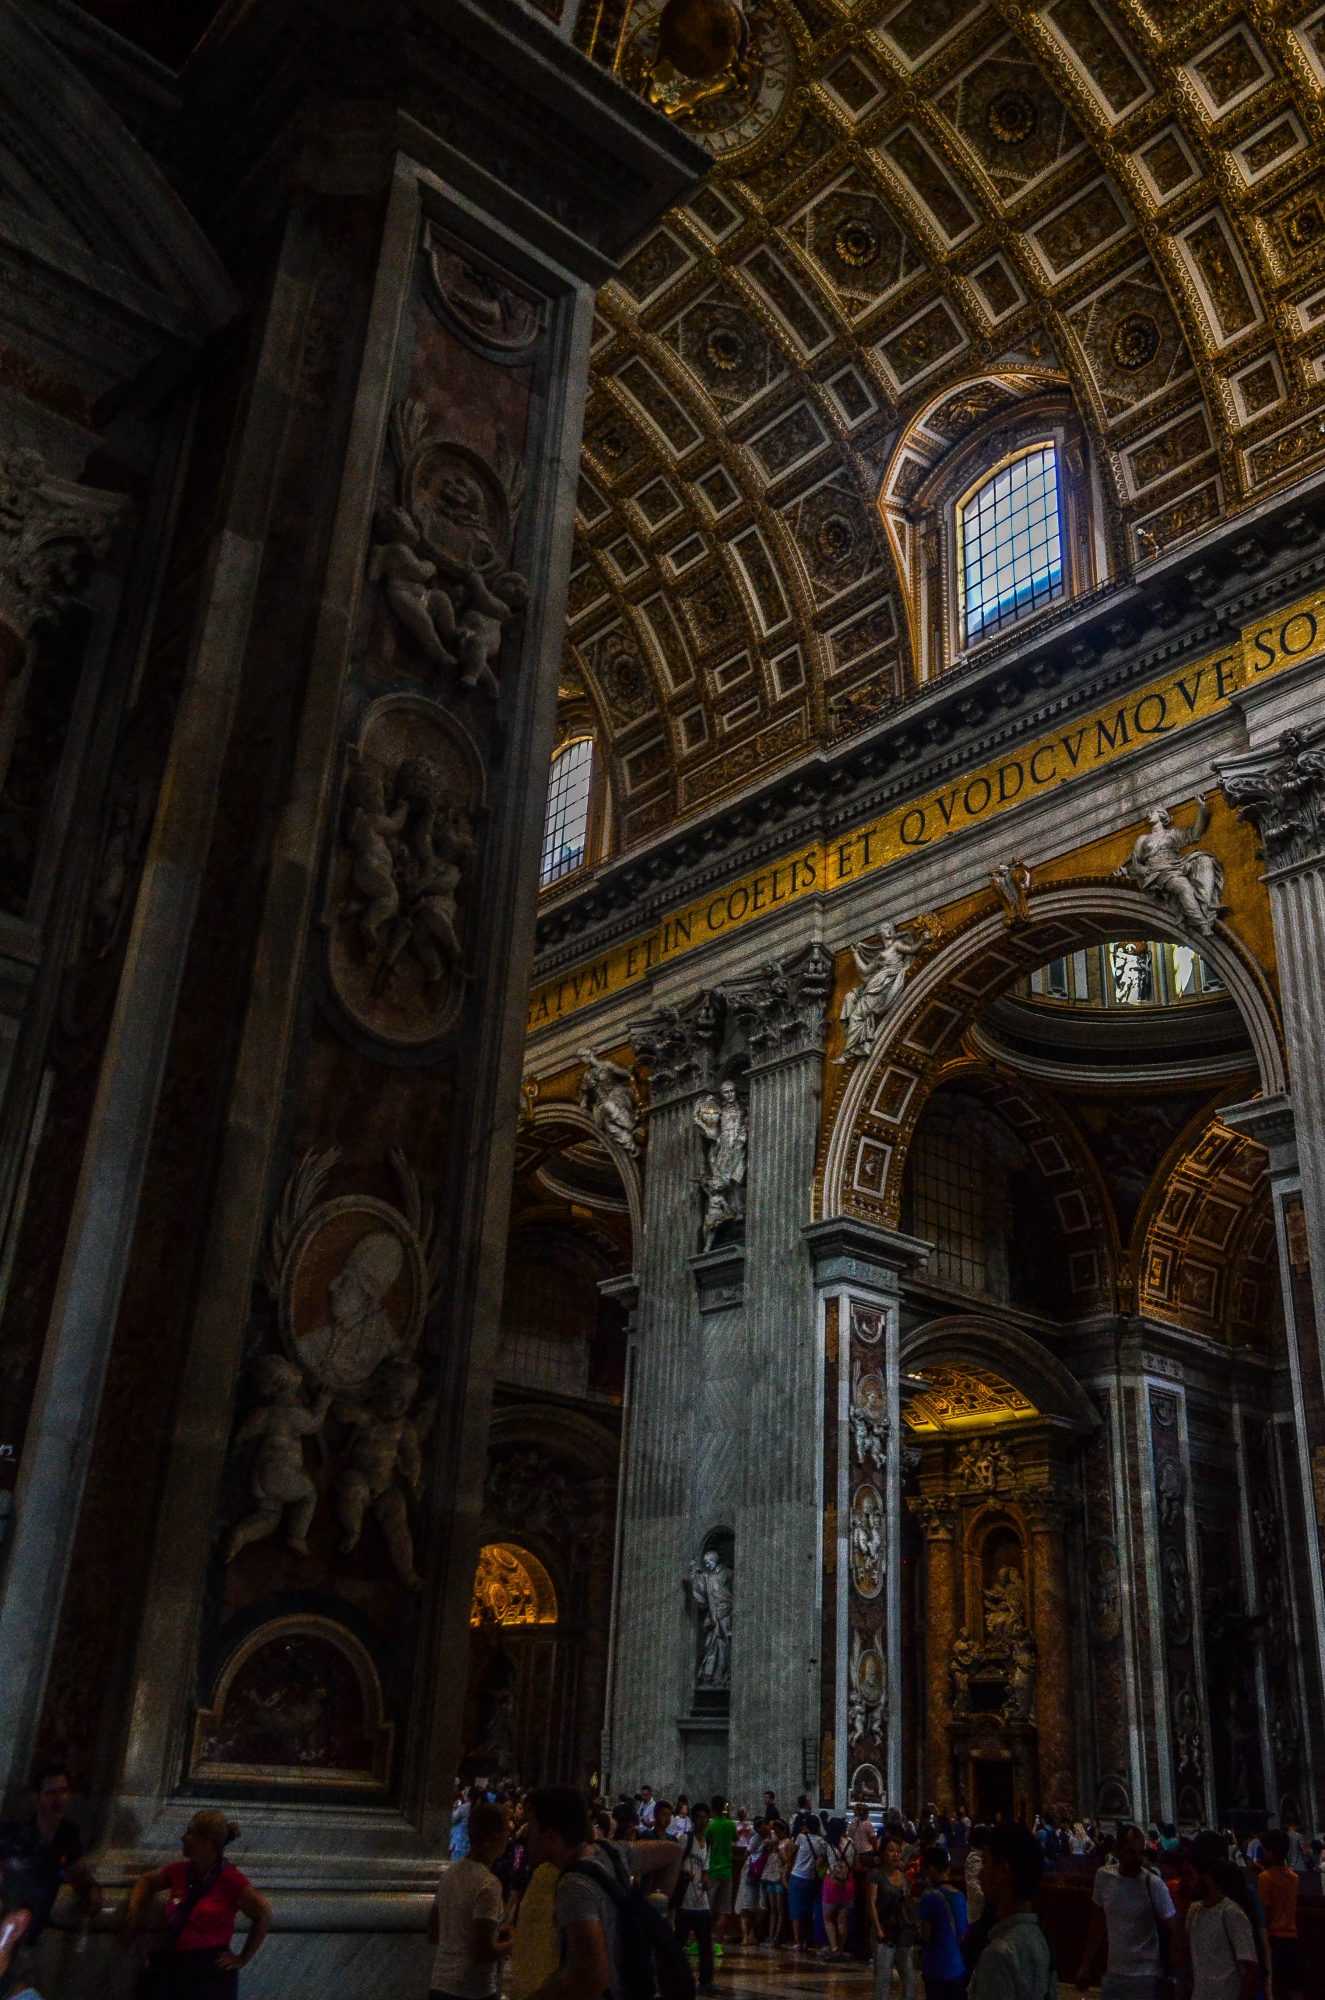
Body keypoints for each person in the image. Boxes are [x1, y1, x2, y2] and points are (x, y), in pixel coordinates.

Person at [523, 1783, 679, 2000]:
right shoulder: (611, 1851)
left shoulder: (574, 1886)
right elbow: (673, 1852)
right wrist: (656, 1904)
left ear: (550, 1836)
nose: (524, 1835)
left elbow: (592, 1976)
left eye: (530, 1827)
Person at [123, 1811, 272, 1999]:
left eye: (190, 1832)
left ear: (206, 1842)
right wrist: (133, 1911)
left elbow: (263, 1914)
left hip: (208, 1973)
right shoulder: (182, 1872)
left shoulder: (230, 1879)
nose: (183, 1838)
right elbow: (146, 1881)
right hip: (176, 1964)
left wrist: (242, 1958)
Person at [0, 1761, 102, 1963]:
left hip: (30, 1935)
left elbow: (76, 1871)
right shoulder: (16, 1837)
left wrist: (91, 1890)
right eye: (50, 1793)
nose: (58, 1800)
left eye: (63, 1792)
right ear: (36, 1798)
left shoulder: (67, 1835)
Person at [1076, 1821, 1174, 2000]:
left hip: (1147, 1974)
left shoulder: (1154, 1884)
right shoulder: (1104, 1877)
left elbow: (1172, 1928)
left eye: (1140, 1853)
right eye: (1130, 1852)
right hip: (1114, 1971)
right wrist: (1086, 1964)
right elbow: (1098, 1924)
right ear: (1117, 1850)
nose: (1136, 1858)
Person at [428, 1800, 513, 2000]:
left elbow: (433, 1931)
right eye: (505, 1834)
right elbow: (483, 1951)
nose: (507, 1840)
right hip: (473, 1989)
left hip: (440, 1983)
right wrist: (513, 1943)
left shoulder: (449, 1874)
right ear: (493, 1837)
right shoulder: (488, 1884)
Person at [967, 1825, 1054, 2000]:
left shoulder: (998, 1955)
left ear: (1002, 1870)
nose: (980, 1875)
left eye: (985, 1863)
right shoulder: (1039, 1937)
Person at [1185, 1833, 1257, 2000]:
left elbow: (1251, 1968)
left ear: (1208, 1876)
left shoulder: (1231, 1912)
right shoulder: (1193, 1911)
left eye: (1190, 1875)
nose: (1186, 1882)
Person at [868, 1835, 919, 2000]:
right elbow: (871, 1903)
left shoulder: (902, 1876)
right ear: (882, 1853)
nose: (895, 1855)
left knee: (909, 1976)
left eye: (898, 1851)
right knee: (883, 1976)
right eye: (891, 1851)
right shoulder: (876, 1875)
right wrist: (878, 1929)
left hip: (902, 1931)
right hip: (884, 1930)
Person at [673, 1801, 716, 1996]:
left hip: (701, 1898)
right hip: (685, 1899)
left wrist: (705, 1877)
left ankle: (706, 1980)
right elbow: (675, 1863)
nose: (701, 1821)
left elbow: (705, 1866)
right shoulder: (685, 1839)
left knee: (706, 1942)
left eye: (704, 1818)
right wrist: (684, 1872)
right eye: (698, 1817)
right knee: (680, 1941)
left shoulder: (706, 1842)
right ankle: (673, 1976)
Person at [917, 1844, 968, 2000]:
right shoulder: (960, 1895)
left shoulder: (930, 1897)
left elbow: (925, 1934)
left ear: (931, 1868)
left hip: (936, 1967)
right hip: (957, 1966)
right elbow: (963, 1932)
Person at [788, 1812, 826, 1952]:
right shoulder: (822, 1842)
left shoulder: (801, 1837)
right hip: (813, 1878)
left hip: (798, 1876)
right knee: (811, 1911)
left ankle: (799, 1942)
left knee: (796, 1912)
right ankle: (812, 1939)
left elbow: (791, 1852)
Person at [822, 1815, 857, 1961]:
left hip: (832, 1882)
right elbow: (855, 1862)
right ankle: (841, 1950)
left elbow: (820, 1862)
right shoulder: (850, 1843)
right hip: (848, 1883)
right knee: (842, 1919)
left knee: (828, 1918)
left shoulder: (827, 1844)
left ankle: (834, 1947)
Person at [735, 1817, 767, 1946]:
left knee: (758, 1907)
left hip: (759, 1875)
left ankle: (750, 1934)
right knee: (747, 1906)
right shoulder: (756, 1839)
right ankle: (746, 1936)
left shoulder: (766, 1838)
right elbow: (746, 1853)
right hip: (751, 1874)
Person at [706, 1796, 736, 1929]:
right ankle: (719, 1945)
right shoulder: (731, 1824)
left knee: (707, 1908)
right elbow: (736, 1838)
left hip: (713, 1869)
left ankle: (704, 1940)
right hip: (727, 1870)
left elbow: (704, 1842)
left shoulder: (710, 1825)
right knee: (723, 1910)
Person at [759, 1821, 789, 1949]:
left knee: (780, 1908)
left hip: (779, 1876)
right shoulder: (772, 1840)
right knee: (772, 1908)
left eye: (777, 1831)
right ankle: (771, 1935)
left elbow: (787, 1860)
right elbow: (765, 1843)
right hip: (770, 1875)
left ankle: (777, 1936)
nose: (775, 1834)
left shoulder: (787, 1842)